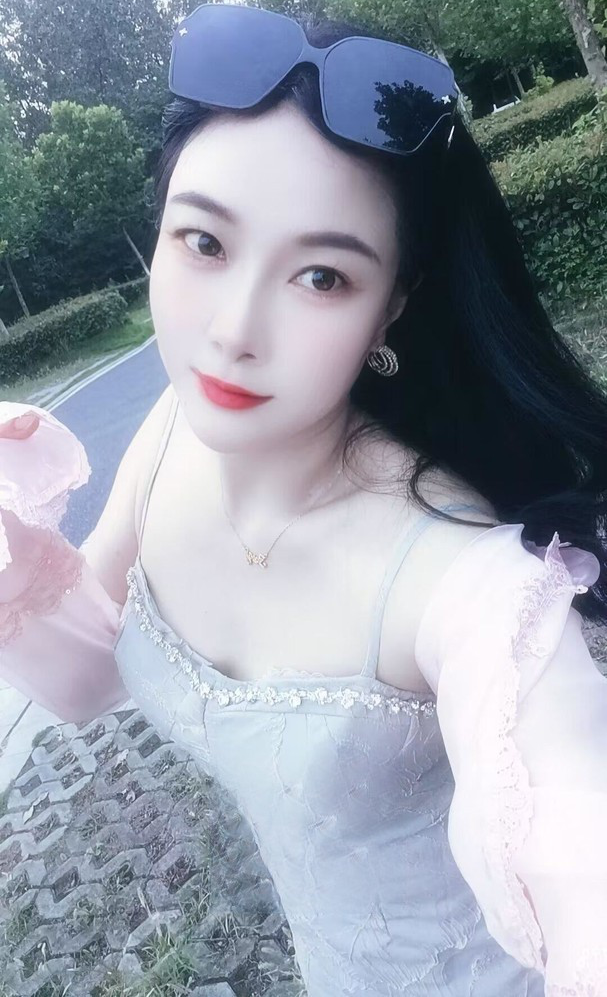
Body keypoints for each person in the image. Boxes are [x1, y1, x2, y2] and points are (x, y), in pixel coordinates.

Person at [1, 4, 606, 994]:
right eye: (204, 241)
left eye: (321, 275)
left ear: (393, 302)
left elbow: (573, 822)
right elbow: (85, 679)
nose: (234, 330)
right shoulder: (170, 432)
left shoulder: (458, 576)